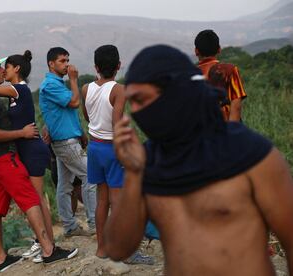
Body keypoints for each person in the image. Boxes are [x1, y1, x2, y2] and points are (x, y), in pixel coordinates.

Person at [104, 45, 293, 275]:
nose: (135, 111)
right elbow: (116, 248)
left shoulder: (250, 153)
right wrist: (133, 174)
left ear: (175, 92)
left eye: (142, 99)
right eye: (132, 102)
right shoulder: (148, 163)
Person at [0, 54, 78, 271]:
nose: (2, 69)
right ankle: (48, 249)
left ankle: (16, 254)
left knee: (8, 205)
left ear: (16, 69)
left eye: (5, 66)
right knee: (31, 199)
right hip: (5, 156)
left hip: (24, 151)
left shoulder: (14, 91)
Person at [81, 44, 154, 265]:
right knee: (119, 202)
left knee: (102, 201)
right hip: (112, 149)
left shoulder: (86, 88)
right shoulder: (118, 90)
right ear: (119, 66)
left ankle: (102, 248)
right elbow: (117, 123)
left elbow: (87, 116)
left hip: (94, 148)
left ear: (96, 66)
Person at [39, 47, 97, 237]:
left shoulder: (57, 84)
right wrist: (73, 79)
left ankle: (70, 226)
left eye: (67, 60)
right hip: (65, 142)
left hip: (68, 139)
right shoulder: (51, 85)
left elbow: (65, 113)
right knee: (91, 175)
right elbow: (74, 103)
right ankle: (95, 224)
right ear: (51, 64)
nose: (67, 64)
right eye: (62, 61)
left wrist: (80, 131)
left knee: (64, 185)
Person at [195, 29, 247, 122]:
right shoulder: (230, 70)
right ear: (219, 49)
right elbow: (236, 106)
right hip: (224, 129)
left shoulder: (188, 74)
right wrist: (232, 133)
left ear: (196, 51)